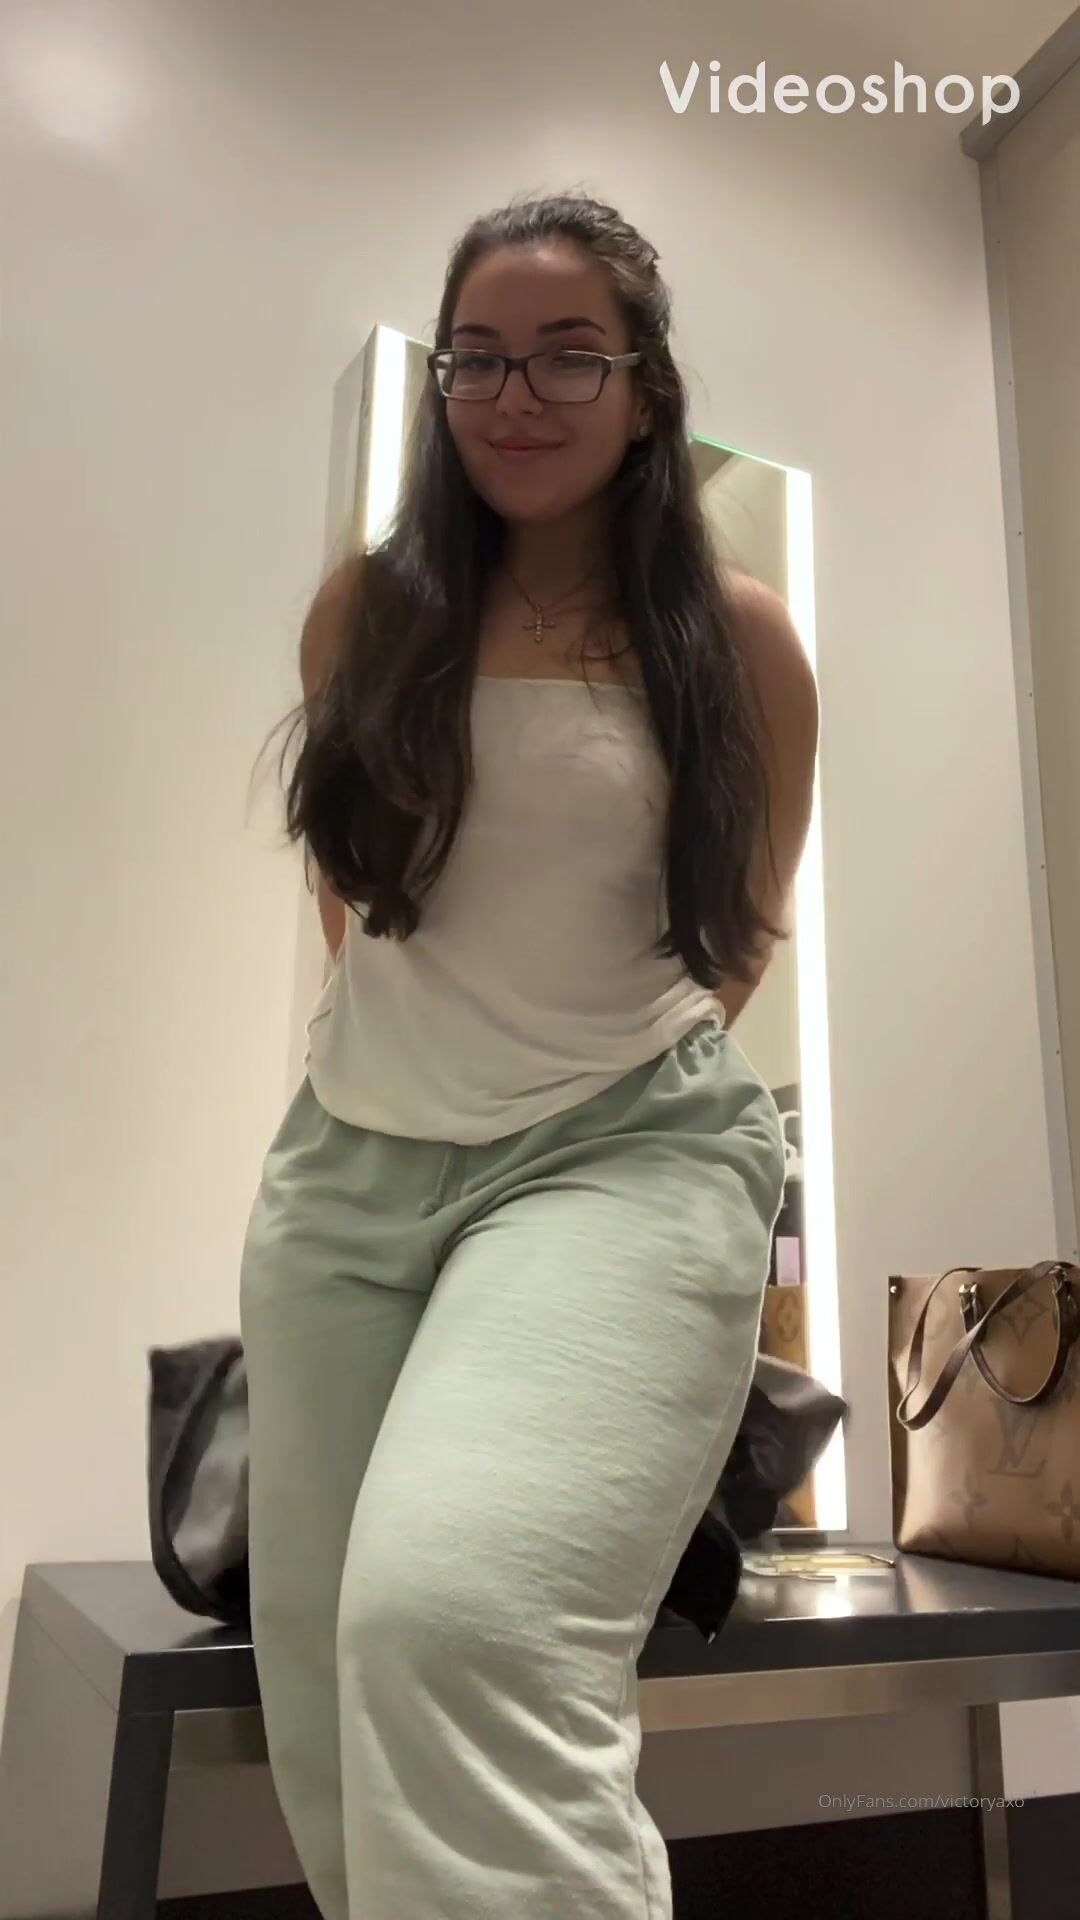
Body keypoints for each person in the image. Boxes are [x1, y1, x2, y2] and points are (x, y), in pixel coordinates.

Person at [241, 190, 818, 1920]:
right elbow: (363, 909)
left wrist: (562, 1079)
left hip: (620, 1156)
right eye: (478, 357)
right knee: (326, 1695)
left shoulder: (739, 641)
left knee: (457, 1628)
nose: (517, 393)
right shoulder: (366, 617)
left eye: (571, 355)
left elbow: (738, 932)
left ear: (645, 389)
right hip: (347, 1176)